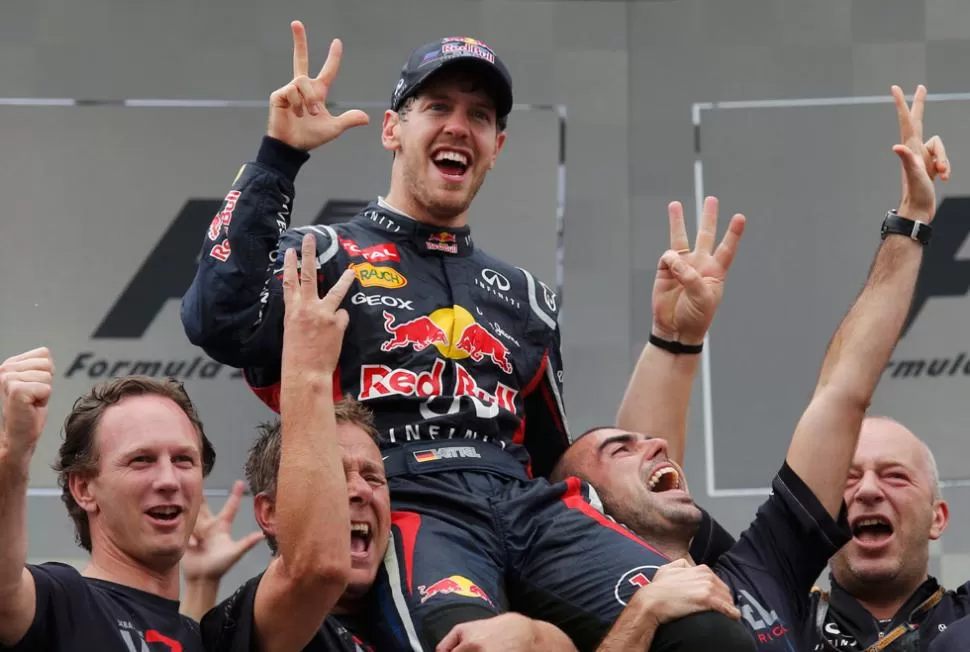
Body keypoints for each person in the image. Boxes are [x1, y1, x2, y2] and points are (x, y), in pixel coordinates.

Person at [180, 20, 753, 651]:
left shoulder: (527, 297)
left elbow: (557, 457)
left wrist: (672, 345)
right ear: (394, 130)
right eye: (437, 107)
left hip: (534, 511)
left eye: (479, 115)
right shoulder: (324, 255)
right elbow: (218, 318)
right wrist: (278, 157)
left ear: (496, 144)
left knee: (703, 625)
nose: (459, 125)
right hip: (408, 505)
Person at [552, 84, 953, 651]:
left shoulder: (760, 573)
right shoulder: (570, 604)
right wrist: (643, 617)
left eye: (894, 475)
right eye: (619, 450)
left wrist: (911, 221)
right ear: (582, 508)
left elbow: (841, 393)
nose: (657, 448)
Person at [200, 238, 576, 652]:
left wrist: (542, 637)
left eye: (374, 476)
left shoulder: (457, 604)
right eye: (335, 475)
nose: (360, 491)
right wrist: (307, 371)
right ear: (270, 512)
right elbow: (314, 569)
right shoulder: (255, 623)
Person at [0, 353, 219, 650]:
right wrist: (14, 453)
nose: (169, 480)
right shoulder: (64, 603)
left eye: (183, 459)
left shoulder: (203, 638)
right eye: (142, 460)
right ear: (84, 488)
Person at [805, 417, 970, 651]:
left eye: (895, 476)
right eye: (847, 478)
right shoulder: (775, 624)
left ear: (937, 518)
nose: (868, 489)